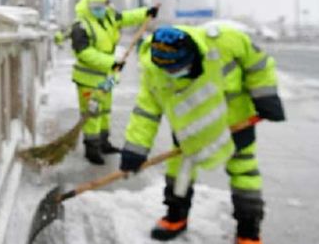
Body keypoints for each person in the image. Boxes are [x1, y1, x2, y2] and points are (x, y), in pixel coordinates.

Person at [119, 25, 285, 244]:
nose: (171, 73)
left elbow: (258, 63)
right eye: (167, 70)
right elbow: (146, 112)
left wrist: (265, 95)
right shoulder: (153, 70)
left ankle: (248, 231)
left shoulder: (226, 41)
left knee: (245, 173)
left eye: (177, 68)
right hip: (189, 131)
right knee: (178, 173)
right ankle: (175, 217)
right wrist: (134, 149)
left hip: (236, 124)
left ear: (192, 54)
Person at [70, 0, 158, 165]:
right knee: (92, 113)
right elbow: (84, 53)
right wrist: (111, 62)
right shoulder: (81, 25)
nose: (98, 10)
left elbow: (126, 17)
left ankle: (104, 142)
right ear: (87, 5)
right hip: (88, 79)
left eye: (101, 6)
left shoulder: (109, 16)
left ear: (107, 4)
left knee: (104, 111)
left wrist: (146, 12)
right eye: (94, 6)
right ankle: (91, 149)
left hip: (107, 78)